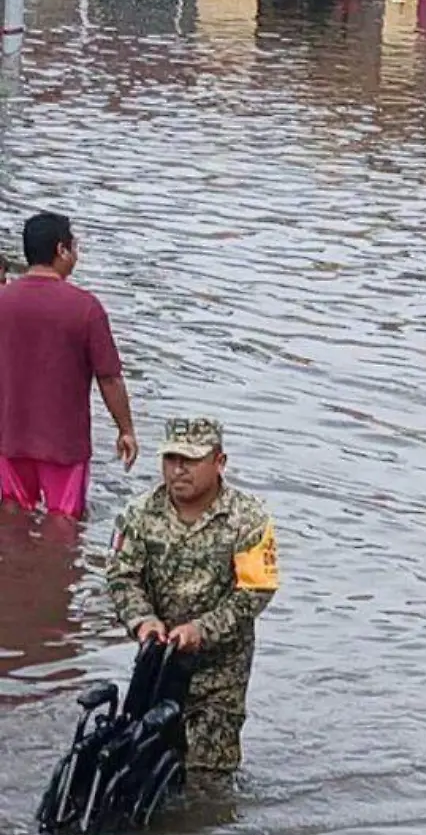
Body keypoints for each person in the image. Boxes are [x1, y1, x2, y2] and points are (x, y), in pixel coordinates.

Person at [107, 419, 279, 777]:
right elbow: (122, 577)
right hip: (158, 663)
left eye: (190, 460)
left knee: (208, 774)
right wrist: (142, 620)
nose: (178, 470)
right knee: (142, 761)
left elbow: (256, 591)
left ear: (219, 462)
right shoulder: (139, 514)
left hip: (220, 671)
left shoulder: (248, 519)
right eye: (170, 459)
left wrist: (203, 629)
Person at [0, 212, 138, 518]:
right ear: (61, 250)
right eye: (74, 247)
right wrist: (125, 429)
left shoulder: (3, 301)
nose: (76, 255)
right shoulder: (85, 308)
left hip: (9, 439)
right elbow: (109, 377)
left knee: (13, 519)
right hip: (64, 445)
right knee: (63, 527)